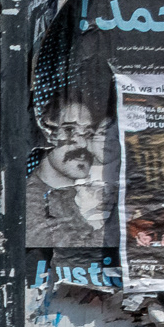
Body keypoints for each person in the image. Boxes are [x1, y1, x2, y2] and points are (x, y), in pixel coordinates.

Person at [29, 97, 111, 246]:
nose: (83, 143)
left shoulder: (73, 193)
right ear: (46, 136)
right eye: (69, 130)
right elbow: (75, 255)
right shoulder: (31, 201)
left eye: (88, 134)